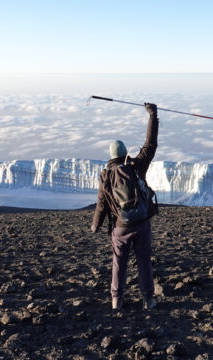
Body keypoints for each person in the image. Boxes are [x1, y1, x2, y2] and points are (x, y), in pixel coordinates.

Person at [91, 103, 159, 311]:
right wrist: (153, 116)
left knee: (119, 263)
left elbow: (101, 205)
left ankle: (116, 300)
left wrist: (96, 226)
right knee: (144, 261)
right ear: (124, 154)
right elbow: (150, 145)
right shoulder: (136, 167)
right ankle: (148, 299)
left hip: (121, 227)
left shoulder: (106, 177)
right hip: (141, 223)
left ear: (111, 156)